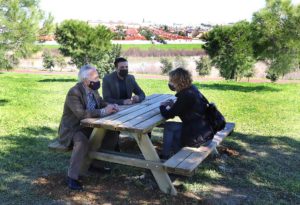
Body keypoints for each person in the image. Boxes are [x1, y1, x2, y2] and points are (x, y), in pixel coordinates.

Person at [58, 65, 119, 190]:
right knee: (81, 142)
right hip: (74, 128)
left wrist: (111, 106)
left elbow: (101, 103)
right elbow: (81, 114)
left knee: (112, 133)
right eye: (95, 78)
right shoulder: (74, 92)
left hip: (90, 125)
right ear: (86, 80)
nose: (98, 80)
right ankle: (72, 177)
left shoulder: (93, 90)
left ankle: (96, 164)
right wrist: (103, 112)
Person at [159, 67, 214, 159]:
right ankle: (174, 156)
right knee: (176, 130)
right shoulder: (192, 89)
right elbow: (186, 107)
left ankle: (165, 156)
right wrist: (174, 104)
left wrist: (162, 106)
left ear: (177, 82)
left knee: (169, 127)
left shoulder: (185, 95)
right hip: (206, 131)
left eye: (171, 80)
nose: (170, 83)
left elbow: (168, 115)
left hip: (200, 136)